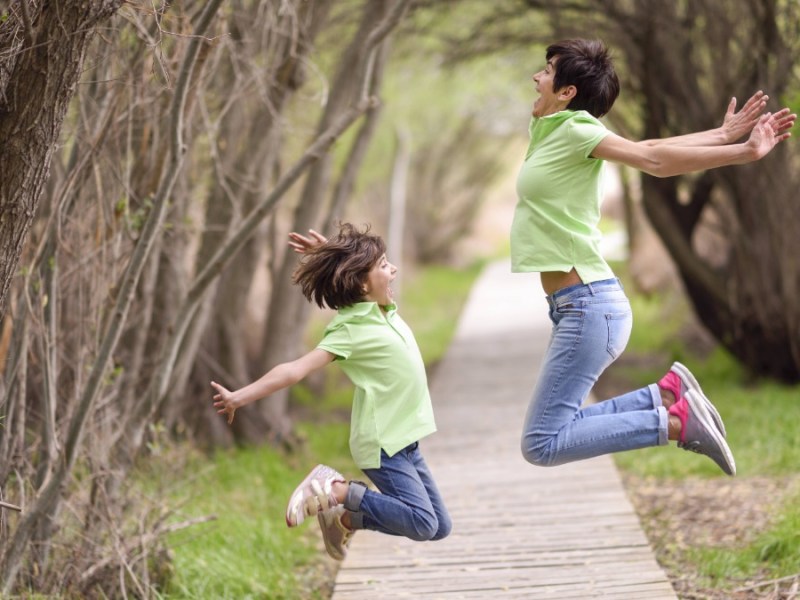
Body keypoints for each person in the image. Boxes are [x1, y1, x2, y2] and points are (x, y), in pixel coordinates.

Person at [513, 39, 796, 475]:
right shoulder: (549, 130)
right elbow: (647, 145)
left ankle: (674, 422)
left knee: (542, 443)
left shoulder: (575, 129)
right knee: (551, 431)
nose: (537, 77)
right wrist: (721, 133)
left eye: (547, 71)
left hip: (589, 307)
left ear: (568, 92)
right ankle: (663, 395)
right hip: (577, 307)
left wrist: (744, 151)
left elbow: (651, 159)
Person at [210, 223, 451, 561]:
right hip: (383, 444)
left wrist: (329, 255)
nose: (393, 269)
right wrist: (240, 396)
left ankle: (349, 517)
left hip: (407, 441)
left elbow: (354, 272)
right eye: (383, 265)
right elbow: (294, 370)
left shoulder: (382, 308)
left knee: (439, 527)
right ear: (363, 283)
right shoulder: (349, 329)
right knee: (423, 523)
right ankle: (337, 490)